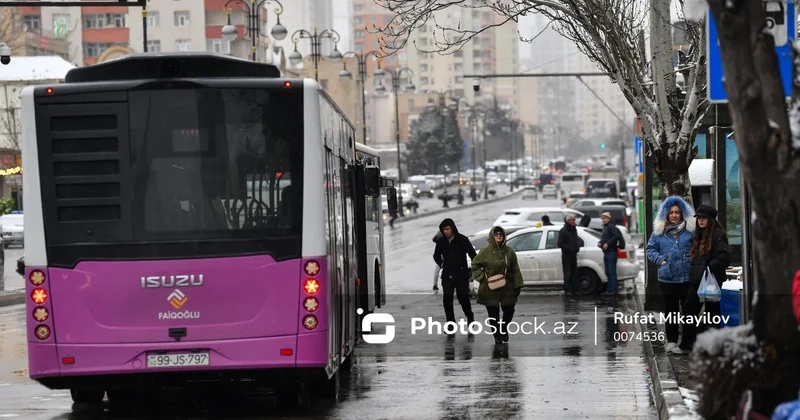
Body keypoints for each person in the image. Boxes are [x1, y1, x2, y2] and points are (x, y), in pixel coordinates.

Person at [646, 196, 695, 354]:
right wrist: (661, 260)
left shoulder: (690, 231)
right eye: (671, 212)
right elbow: (650, 250)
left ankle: (687, 343)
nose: (674, 215)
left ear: (682, 214)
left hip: (687, 277)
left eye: (677, 212)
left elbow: (699, 249)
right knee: (671, 311)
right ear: (666, 214)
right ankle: (672, 341)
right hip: (667, 278)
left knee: (688, 311)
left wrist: (691, 259)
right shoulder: (659, 233)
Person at [471, 226, 524, 344]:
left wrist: (518, 284)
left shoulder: (509, 251)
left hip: (507, 286)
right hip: (490, 288)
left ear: (504, 236)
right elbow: (475, 265)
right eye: (496, 234)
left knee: (509, 309)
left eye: (501, 234)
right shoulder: (485, 252)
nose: (499, 235)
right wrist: (482, 277)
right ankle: (497, 336)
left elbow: (515, 269)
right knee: (493, 314)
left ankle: (503, 328)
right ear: (492, 236)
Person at [686, 204, 729, 336]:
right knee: (689, 312)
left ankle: (711, 345)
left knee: (712, 314)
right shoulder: (698, 235)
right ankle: (688, 344)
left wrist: (707, 267)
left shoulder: (718, 235)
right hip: (697, 280)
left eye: (704, 218)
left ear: (711, 219)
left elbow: (723, 257)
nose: (700, 220)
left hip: (711, 281)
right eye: (698, 218)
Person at [433, 218, 476, 332]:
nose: (446, 231)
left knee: (463, 299)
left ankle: (470, 317)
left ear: (452, 228)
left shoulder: (462, 240)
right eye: (444, 230)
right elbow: (436, 255)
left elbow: (472, 254)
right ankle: (450, 324)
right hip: (447, 275)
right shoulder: (441, 242)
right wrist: (441, 263)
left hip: (461, 275)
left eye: (447, 229)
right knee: (447, 300)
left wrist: (476, 268)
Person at [598, 212, 624, 296]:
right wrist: (600, 242)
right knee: (608, 272)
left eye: (604, 218)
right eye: (602, 218)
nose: (603, 220)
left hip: (612, 252)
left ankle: (613, 290)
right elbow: (605, 238)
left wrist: (608, 244)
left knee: (612, 272)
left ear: (609, 218)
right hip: (606, 253)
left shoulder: (611, 226)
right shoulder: (605, 227)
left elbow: (616, 236)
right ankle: (609, 289)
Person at [558, 214, 583, 296]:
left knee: (574, 272)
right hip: (566, 255)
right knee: (567, 272)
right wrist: (569, 248)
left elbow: (576, 239)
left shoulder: (574, 229)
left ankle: (575, 290)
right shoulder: (563, 231)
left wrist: (577, 247)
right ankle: (567, 290)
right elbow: (560, 243)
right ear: (568, 221)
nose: (574, 221)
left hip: (573, 254)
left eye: (574, 220)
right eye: (572, 220)